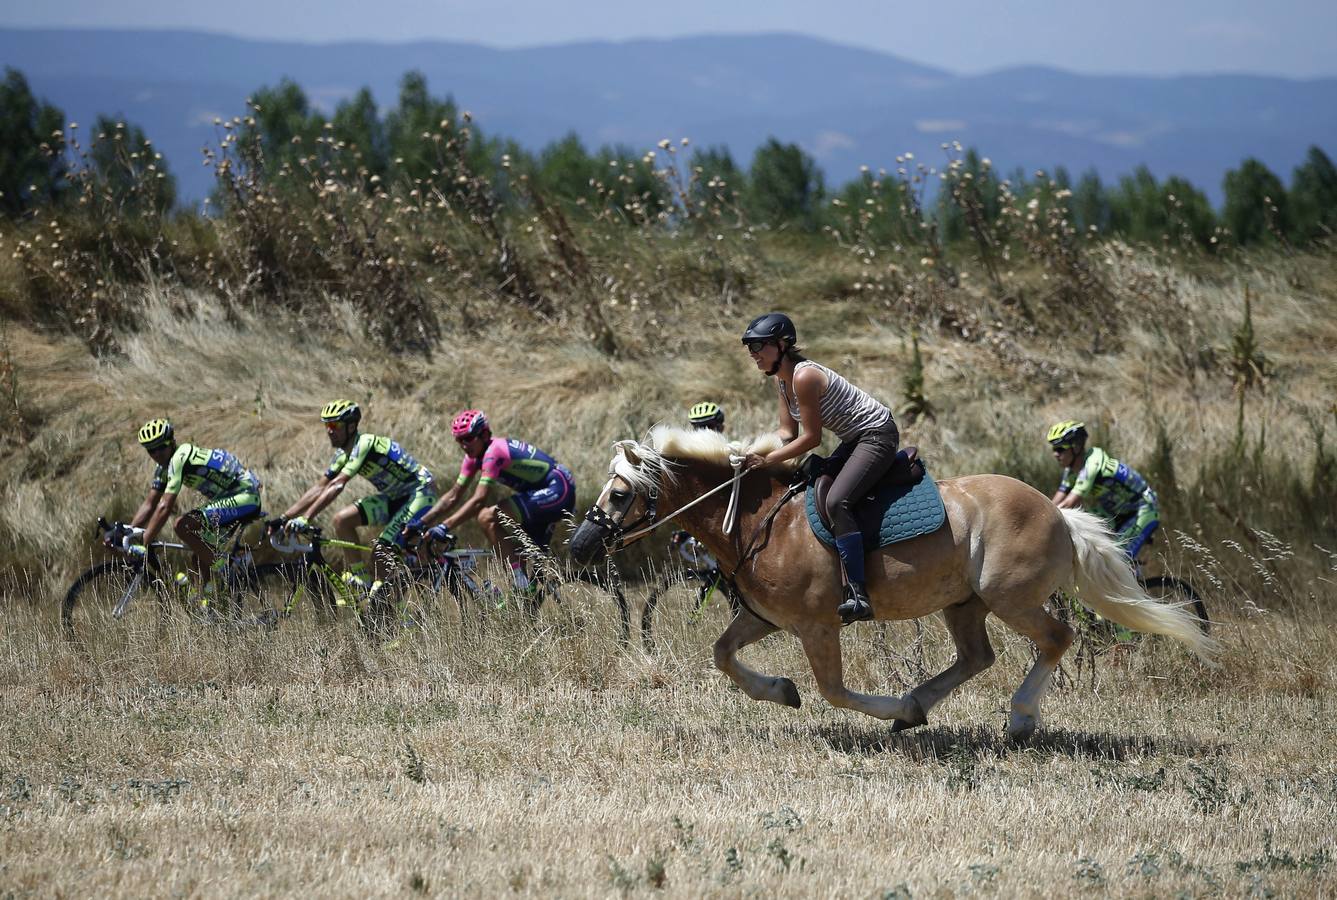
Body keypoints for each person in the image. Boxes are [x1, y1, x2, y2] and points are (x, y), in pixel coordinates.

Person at [739, 312, 899, 624]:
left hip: (876, 435)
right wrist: (751, 450)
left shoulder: (803, 377)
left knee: (837, 501)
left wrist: (768, 460)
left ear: (783, 345)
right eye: (750, 349)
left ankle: (857, 592)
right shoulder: (782, 381)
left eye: (759, 346)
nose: (754, 355)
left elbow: (812, 438)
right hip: (854, 439)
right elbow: (787, 434)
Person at [278, 400, 437, 591]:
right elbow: (320, 487)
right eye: (327, 425)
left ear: (351, 426)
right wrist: (285, 517)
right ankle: (363, 580)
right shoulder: (342, 454)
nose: (329, 430)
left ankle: (392, 611)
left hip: (420, 492)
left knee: (381, 552)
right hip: (396, 498)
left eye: (335, 425)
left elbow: (338, 484)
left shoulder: (365, 444)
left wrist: (306, 518)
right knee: (342, 520)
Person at [415, 409, 576, 593]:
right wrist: (421, 522)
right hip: (541, 491)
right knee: (515, 552)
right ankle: (524, 600)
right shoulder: (473, 458)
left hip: (559, 488)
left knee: (486, 517)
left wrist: (444, 526)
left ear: (483, 434)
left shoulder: (494, 452)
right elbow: (453, 495)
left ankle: (521, 583)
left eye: (468, 438)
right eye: (459, 440)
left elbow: (479, 500)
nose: (464, 445)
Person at [128, 418, 263, 604]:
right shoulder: (163, 468)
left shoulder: (180, 457)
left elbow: (164, 506)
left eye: (161, 447)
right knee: (199, 558)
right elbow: (150, 503)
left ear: (172, 442)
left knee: (182, 525)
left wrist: (143, 542)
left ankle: (223, 571)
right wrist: (128, 531)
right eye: (151, 450)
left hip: (245, 496)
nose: (157, 453)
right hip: (232, 499)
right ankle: (212, 605)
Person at [1047, 420, 1160, 561]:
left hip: (1143, 509)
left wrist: (1046, 522)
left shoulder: (1092, 464)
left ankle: (1132, 583)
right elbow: (1055, 502)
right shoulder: (1071, 470)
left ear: (1075, 447)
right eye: (1053, 449)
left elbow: (1070, 502)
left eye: (1060, 449)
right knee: (1089, 549)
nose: (1055, 454)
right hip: (1116, 512)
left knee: (1119, 558)